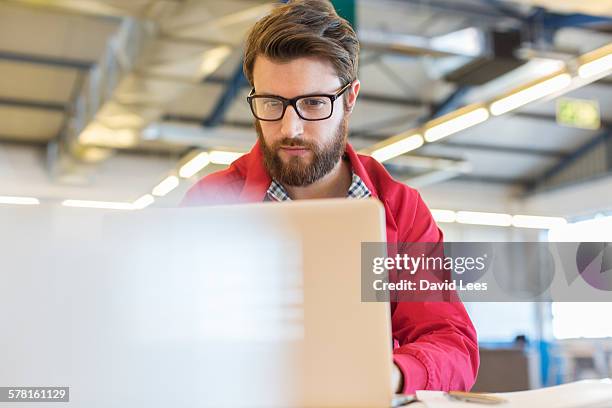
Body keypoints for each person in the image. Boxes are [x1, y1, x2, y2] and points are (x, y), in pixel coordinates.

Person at [182, 0, 479, 394]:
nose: (292, 128)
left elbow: (449, 341)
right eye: (271, 103)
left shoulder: (400, 209)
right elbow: (172, 332)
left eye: (314, 103)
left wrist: (390, 375)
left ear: (350, 99)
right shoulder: (212, 203)